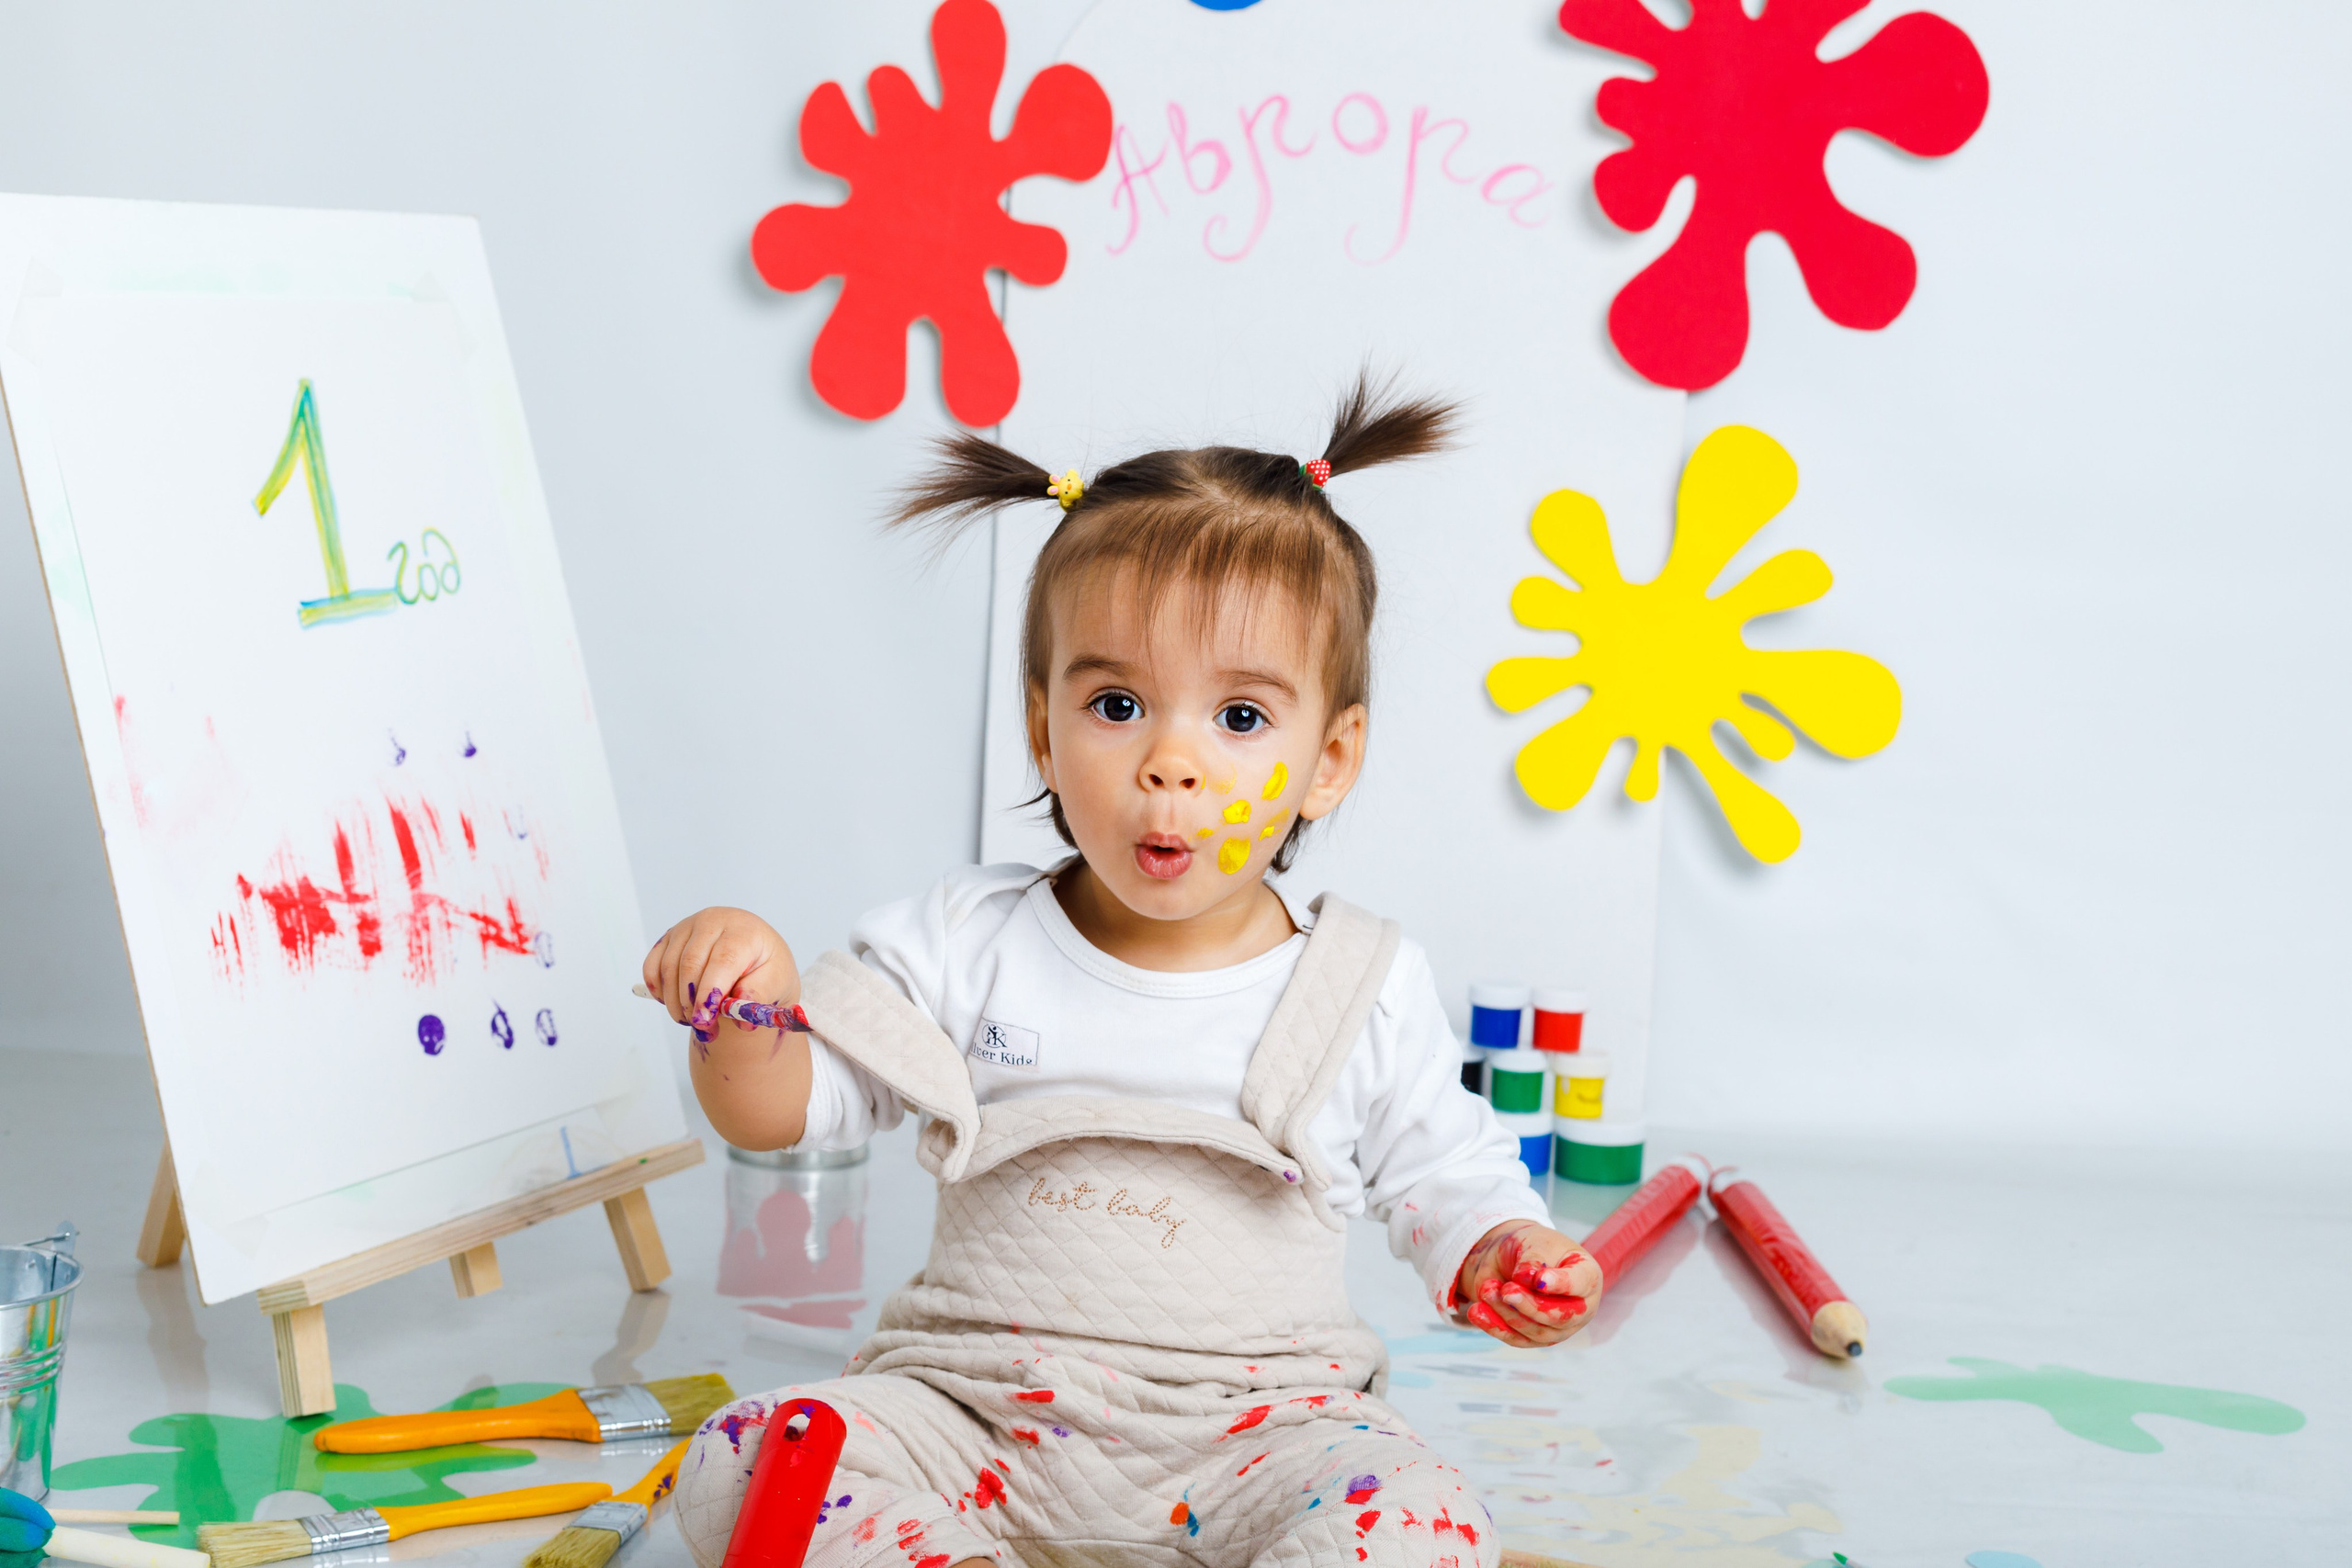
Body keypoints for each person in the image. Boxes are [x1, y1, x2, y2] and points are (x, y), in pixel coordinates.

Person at [649, 377, 1603, 1568]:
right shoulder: (965, 940)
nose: (1171, 764)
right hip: (973, 1420)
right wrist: (746, 1014)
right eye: (1116, 703)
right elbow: (788, 1110)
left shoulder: (1362, 982)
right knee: (751, 1456)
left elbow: (1445, 1173)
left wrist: (1504, 1251)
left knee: (1428, 1519)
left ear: (1330, 758)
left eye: (1241, 719)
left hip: (1263, 1439)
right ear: (1042, 730)